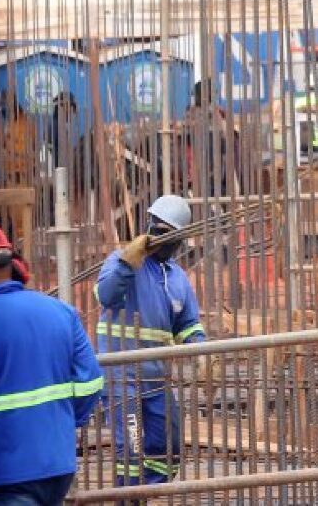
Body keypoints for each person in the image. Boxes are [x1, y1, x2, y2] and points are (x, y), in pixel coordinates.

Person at [0, 222, 102, 505]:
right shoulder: (62, 312)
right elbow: (91, 383)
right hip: (57, 466)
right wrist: (58, 419)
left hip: (0, 475)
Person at [95, 194, 206, 490]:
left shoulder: (178, 277)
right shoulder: (123, 262)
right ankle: (130, 496)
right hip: (121, 376)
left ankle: (144, 490)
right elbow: (106, 295)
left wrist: (202, 350)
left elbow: (188, 323)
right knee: (129, 451)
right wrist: (125, 264)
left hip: (157, 378)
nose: (161, 239)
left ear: (180, 240)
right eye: (157, 230)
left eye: (169, 234)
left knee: (167, 449)